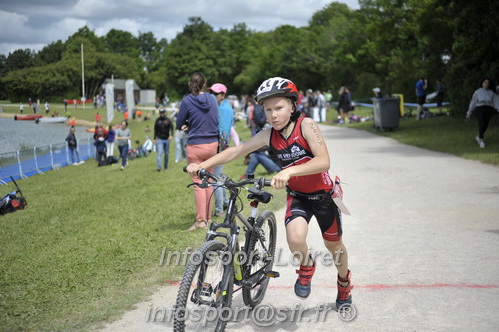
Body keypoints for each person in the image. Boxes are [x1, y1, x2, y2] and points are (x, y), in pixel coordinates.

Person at [186, 77, 353, 309]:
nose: (273, 115)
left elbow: (324, 161)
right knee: (295, 240)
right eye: (268, 110)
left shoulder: (306, 125)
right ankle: (307, 266)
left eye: (279, 108)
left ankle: (344, 283)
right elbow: (237, 150)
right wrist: (203, 165)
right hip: (299, 196)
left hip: (324, 196)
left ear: (292, 106)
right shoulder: (268, 135)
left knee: (334, 246)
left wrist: (290, 171)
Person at [176, 72, 219, 231]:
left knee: (198, 183)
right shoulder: (212, 99)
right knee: (209, 181)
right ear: (204, 84)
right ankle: (208, 218)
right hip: (213, 145)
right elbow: (214, 118)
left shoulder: (187, 101)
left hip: (196, 145)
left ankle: (201, 221)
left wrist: (187, 124)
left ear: (190, 84)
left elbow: (179, 122)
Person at [209, 83, 234, 217]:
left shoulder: (223, 109)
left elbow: (222, 130)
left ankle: (219, 210)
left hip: (220, 145)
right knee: (219, 177)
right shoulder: (224, 107)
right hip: (222, 145)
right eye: (212, 93)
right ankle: (224, 202)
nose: (213, 96)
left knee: (215, 179)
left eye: (216, 93)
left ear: (223, 95)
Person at [466, 78, 499, 148]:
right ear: (482, 83)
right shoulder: (477, 92)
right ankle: (481, 141)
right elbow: (473, 102)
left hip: (488, 108)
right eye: (485, 82)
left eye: (488, 83)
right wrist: (469, 112)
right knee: (481, 123)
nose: (487, 84)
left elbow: (496, 102)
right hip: (479, 108)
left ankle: (479, 136)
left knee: (485, 124)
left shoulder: (491, 93)